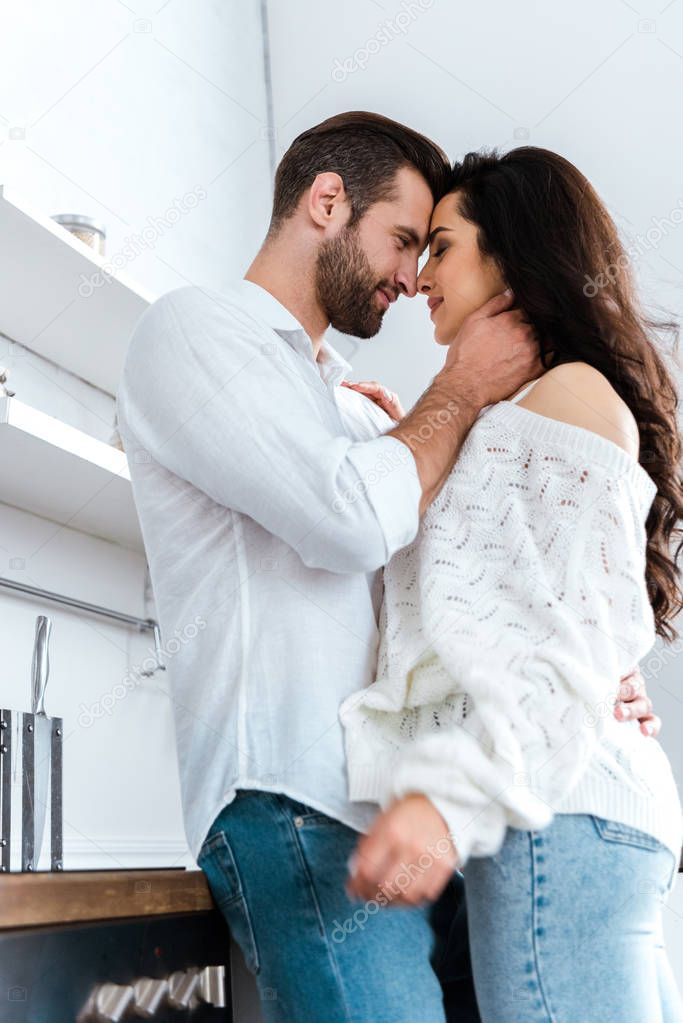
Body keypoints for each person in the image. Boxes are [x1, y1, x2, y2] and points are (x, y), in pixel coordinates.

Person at [116, 114, 658, 1023]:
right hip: (293, 796)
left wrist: (600, 650)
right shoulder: (193, 333)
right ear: (327, 202)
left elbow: (465, 586)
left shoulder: (363, 416)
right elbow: (348, 518)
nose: (412, 279)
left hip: (412, 812)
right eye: (406, 240)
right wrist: (457, 393)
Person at [342, 146, 683, 1022]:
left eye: (443, 245)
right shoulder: (527, 413)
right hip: (573, 813)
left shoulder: (563, 396)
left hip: (559, 816)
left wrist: (445, 809)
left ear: (513, 254)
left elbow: (557, 650)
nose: (418, 277)